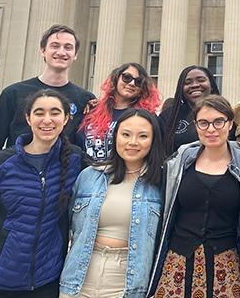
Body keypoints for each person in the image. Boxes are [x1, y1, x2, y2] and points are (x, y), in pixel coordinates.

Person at [0, 89, 84, 297]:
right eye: (39, 113)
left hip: (46, 284)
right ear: (28, 118)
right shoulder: (0, 163)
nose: (47, 120)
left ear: (67, 118)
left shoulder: (77, 161)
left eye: (55, 112)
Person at [148, 95, 240, 297]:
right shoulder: (179, 163)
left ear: (230, 124)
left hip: (225, 265)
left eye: (218, 122)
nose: (211, 129)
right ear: (195, 126)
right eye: (204, 123)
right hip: (178, 262)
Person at [59, 108, 165, 298]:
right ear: (115, 137)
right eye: (126, 134)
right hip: (79, 275)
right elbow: (66, 224)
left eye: (142, 136)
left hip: (128, 280)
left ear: (153, 141)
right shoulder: (90, 176)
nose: (132, 142)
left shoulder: (162, 183)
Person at [0, 24, 95, 168]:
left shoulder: (85, 99)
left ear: (75, 54)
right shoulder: (13, 93)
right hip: (20, 175)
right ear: (43, 50)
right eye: (55, 46)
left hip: (64, 178)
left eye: (68, 47)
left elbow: (86, 146)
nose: (61, 52)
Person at [76, 63, 161, 162]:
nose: (132, 83)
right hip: (87, 173)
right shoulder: (92, 110)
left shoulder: (146, 117)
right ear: (116, 78)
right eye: (126, 77)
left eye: (138, 82)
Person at [158, 65, 220, 152]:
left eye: (201, 80)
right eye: (187, 83)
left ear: (212, 85)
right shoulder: (169, 116)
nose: (194, 85)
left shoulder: (223, 113)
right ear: (181, 89)